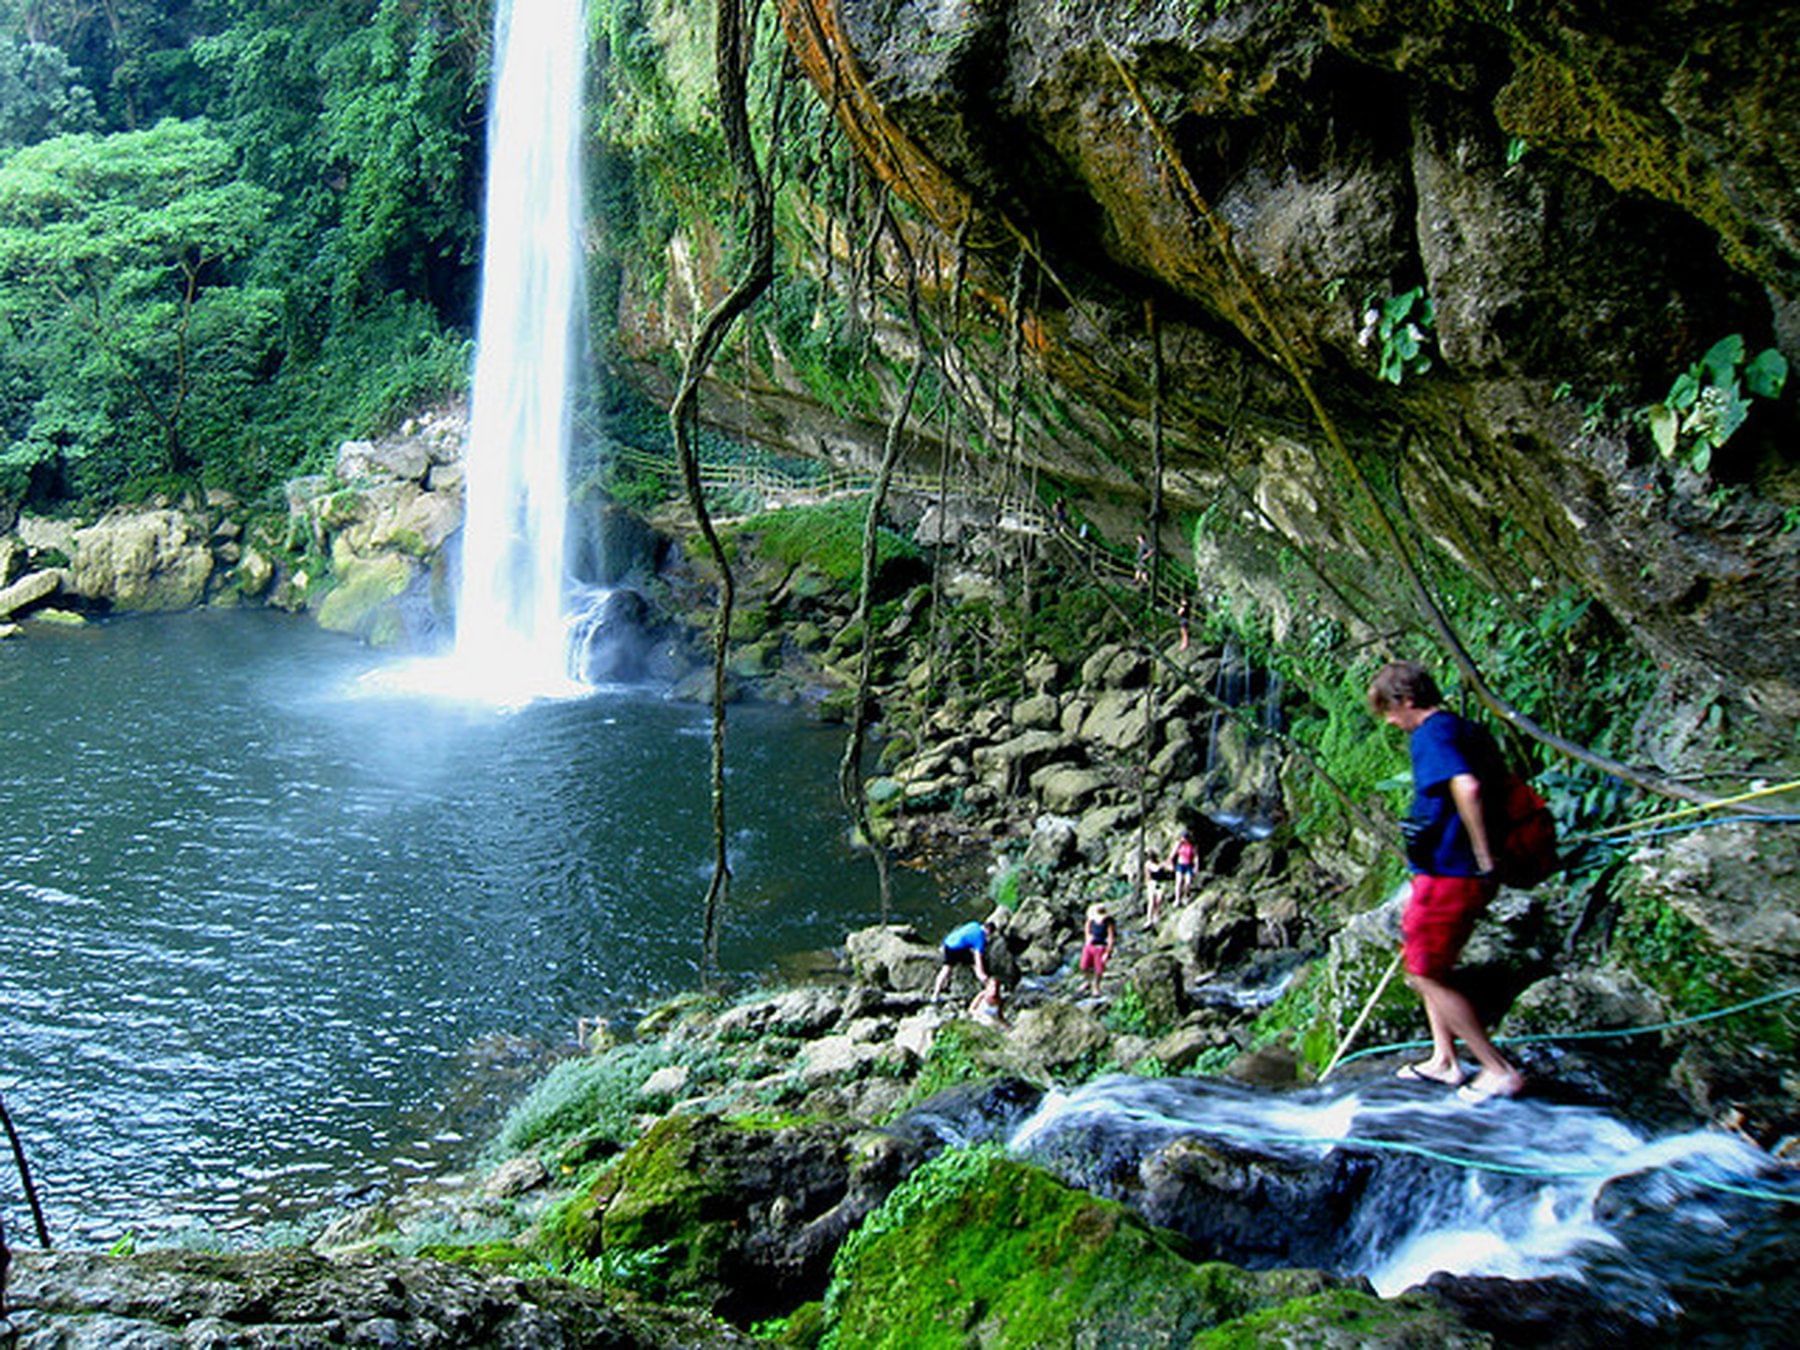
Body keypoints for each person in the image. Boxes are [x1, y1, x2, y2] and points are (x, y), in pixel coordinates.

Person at [1368, 660, 1525, 1104]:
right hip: (1444, 871)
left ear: (1407, 700)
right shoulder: (1465, 728)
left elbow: (1467, 787)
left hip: (1453, 871)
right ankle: (1444, 1060)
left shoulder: (1432, 734)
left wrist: (1480, 854)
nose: (1391, 722)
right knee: (1428, 963)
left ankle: (1497, 1070)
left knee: (1425, 972)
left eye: (1389, 711)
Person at [932, 919, 993, 1002]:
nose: (988, 936)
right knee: (975, 966)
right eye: (989, 934)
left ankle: (935, 994)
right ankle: (987, 987)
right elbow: (977, 957)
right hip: (957, 949)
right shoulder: (979, 938)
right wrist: (982, 972)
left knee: (946, 969)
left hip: (948, 943)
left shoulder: (974, 924)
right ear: (988, 930)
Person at [1079, 903, 1117, 996]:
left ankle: (1096, 986)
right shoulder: (1090, 922)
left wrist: (1108, 952)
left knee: (1099, 969)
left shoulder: (1108, 923)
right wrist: (1088, 941)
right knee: (1084, 966)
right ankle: (1088, 981)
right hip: (1090, 946)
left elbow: (1110, 938)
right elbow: (1087, 933)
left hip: (1101, 947)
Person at [1169, 827, 1198, 906]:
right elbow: (1172, 855)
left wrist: (1196, 867)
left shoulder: (1193, 845)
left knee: (1187, 883)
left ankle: (1186, 897)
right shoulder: (1178, 844)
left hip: (1189, 865)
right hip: (1180, 865)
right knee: (1178, 882)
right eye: (1182, 837)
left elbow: (1195, 856)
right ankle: (1177, 900)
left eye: (1185, 837)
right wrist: (1171, 864)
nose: (1183, 839)